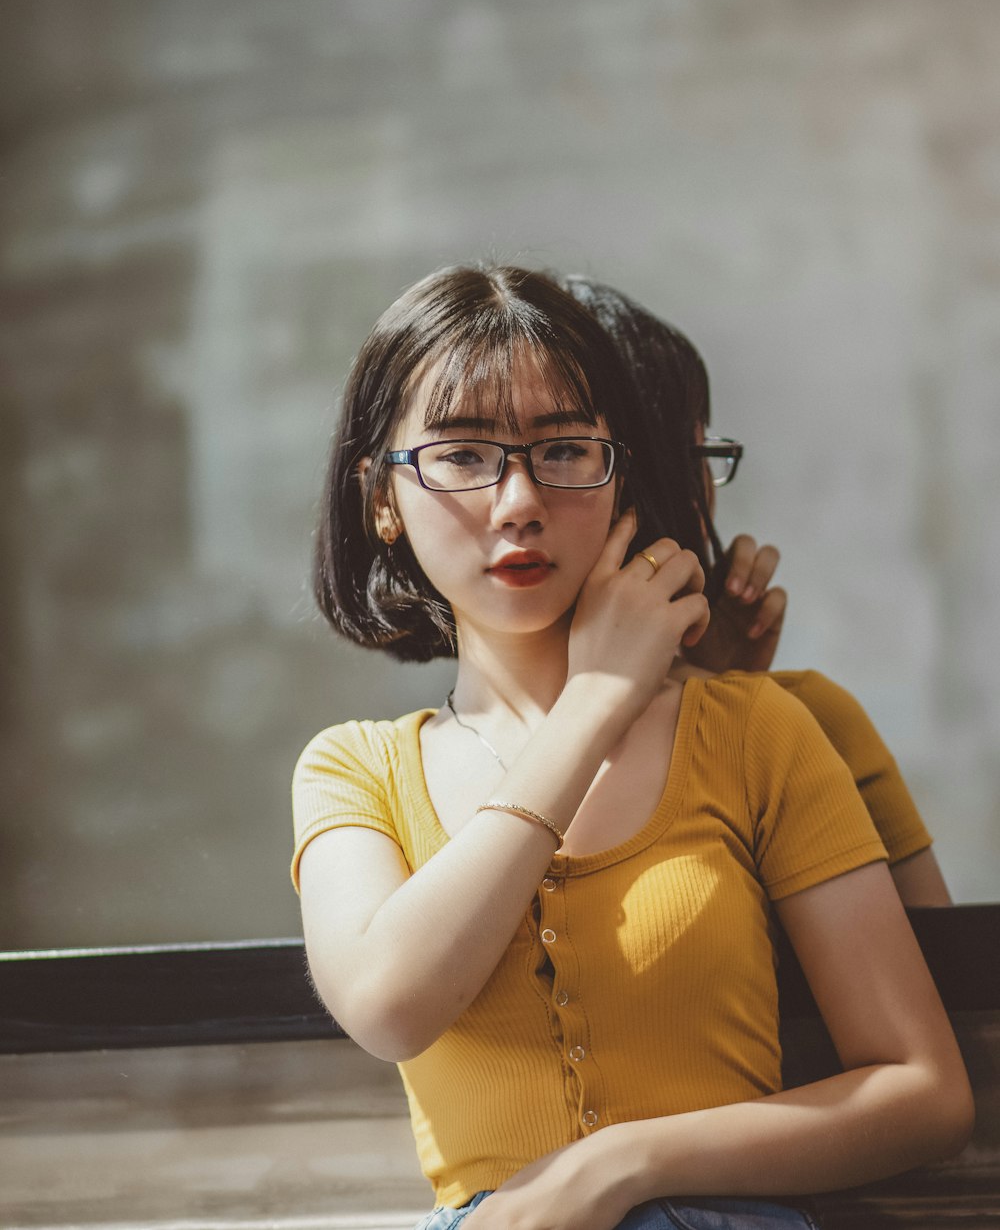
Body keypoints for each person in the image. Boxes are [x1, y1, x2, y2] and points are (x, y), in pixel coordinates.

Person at [292, 264, 972, 1230]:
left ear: (622, 477)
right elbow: (391, 1006)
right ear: (383, 500)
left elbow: (924, 1092)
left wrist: (618, 1163)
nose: (518, 500)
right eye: (461, 455)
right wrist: (594, 706)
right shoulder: (351, 767)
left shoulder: (756, 731)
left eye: (564, 449)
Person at [562, 275, 951, 907]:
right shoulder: (386, 763)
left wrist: (720, 708)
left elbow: (942, 981)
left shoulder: (796, 718)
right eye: (696, 453)